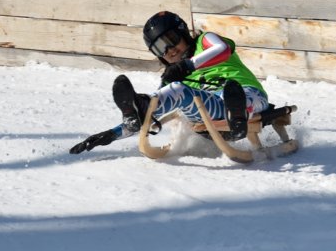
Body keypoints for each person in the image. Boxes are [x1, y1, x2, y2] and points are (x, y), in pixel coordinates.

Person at [69, 11, 270, 154]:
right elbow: (155, 114)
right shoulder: (173, 76)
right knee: (174, 91)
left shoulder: (204, 42)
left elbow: (222, 49)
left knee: (235, 95)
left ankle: (237, 114)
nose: (169, 50)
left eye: (171, 39)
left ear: (183, 32)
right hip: (210, 108)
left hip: (246, 93)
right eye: (160, 48)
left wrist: (188, 66)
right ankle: (138, 108)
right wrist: (113, 134)